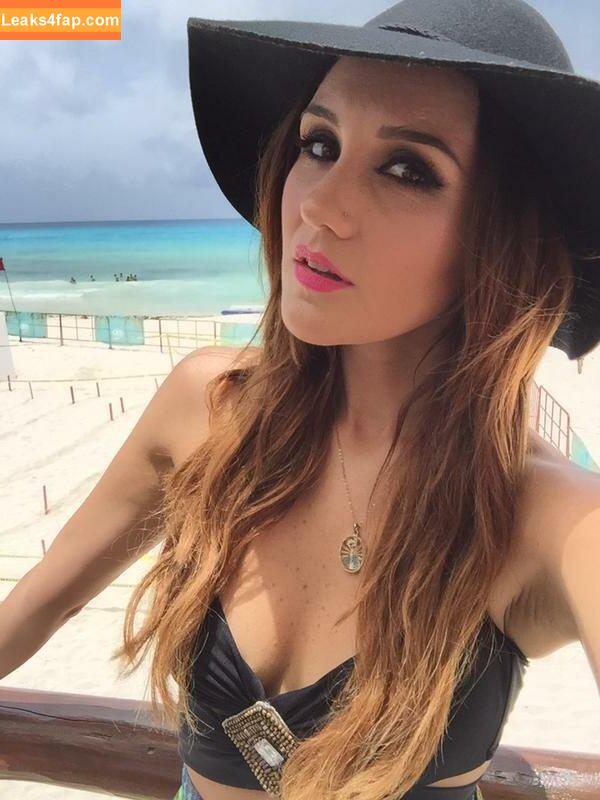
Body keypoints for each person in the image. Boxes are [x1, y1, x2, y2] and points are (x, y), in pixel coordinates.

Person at [1, 2, 599, 800]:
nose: (318, 205)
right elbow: (39, 604)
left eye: (406, 169)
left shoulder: (546, 515)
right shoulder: (210, 412)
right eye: (320, 145)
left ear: (501, 238)